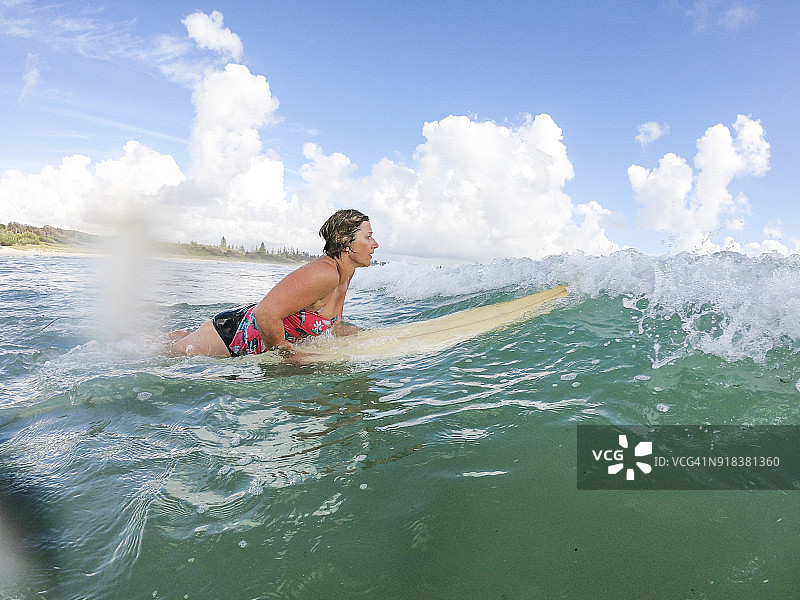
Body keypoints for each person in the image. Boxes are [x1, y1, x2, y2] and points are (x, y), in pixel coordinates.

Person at [170, 209, 378, 357]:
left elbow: (335, 326)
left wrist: (374, 337)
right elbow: (265, 313)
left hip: (247, 325)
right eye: (368, 237)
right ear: (345, 242)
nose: (375, 244)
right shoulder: (325, 273)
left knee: (169, 339)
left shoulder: (345, 273)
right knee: (167, 354)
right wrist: (287, 356)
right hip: (232, 336)